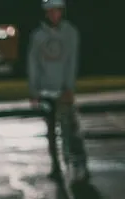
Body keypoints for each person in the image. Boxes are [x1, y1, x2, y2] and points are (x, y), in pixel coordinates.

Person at [27, 0, 88, 181]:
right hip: (46, 91)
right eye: (51, 11)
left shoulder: (70, 33)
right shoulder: (38, 36)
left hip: (63, 89)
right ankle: (56, 166)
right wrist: (33, 90)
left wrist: (69, 87)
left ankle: (78, 163)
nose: (54, 15)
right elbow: (33, 64)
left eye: (58, 11)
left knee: (70, 129)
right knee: (51, 132)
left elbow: (72, 62)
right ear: (46, 13)